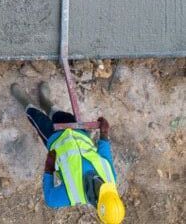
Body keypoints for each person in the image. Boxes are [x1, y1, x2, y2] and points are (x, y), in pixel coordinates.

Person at [11, 81, 126, 222]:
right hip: (78, 133)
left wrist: (49, 168)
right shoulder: (110, 180)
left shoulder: (73, 195)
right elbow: (105, 156)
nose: (102, 183)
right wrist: (104, 133)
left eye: (101, 189)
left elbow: (50, 199)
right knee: (60, 115)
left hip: (55, 140)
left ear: (97, 203)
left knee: (38, 119)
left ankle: (27, 104)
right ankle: (46, 102)